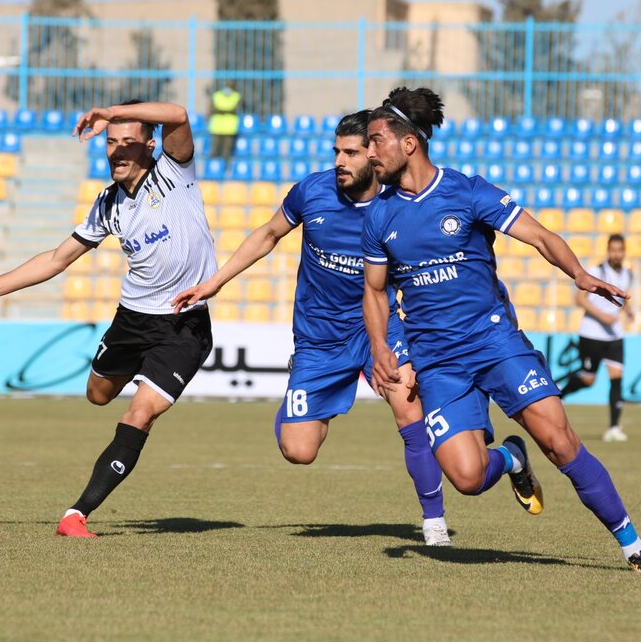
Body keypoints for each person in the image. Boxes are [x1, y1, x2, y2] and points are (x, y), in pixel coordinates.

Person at [360, 86, 641, 573]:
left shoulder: (467, 191)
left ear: (408, 143)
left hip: (494, 341)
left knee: (561, 442)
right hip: (437, 361)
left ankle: (633, 546)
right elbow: (375, 292)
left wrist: (581, 275)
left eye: (376, 141)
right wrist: (381, 347)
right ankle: (510, 458)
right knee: (466, 476)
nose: (368, 152)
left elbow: (540, 236)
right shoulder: (378, 215)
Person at [172, 111, 451, 546]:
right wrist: (214, 283)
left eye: (351, 153)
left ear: (375, 153)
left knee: (408, 408)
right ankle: (300, 392)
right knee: (299, 451)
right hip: (319, 338)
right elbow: (267, 234)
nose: (340, 161)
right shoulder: (313, 191)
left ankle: (434, 522)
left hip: (378, 329)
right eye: (336, 151)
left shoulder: (399, 204)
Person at [0, 99, 217, 538]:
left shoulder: (175, 172)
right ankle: (135, 376)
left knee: (140, 414)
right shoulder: (108, 204)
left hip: (183, 326)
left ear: (151, 146)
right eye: (111, 142)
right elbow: (58, 258)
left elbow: (179, 114)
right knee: (97, 394)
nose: (116, 150)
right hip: (132, 320)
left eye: (128, 142)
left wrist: (108, 112)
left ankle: (76, 514)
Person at [559, 234, 636, 441]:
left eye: (620, 250)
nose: (616, 254)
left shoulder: (628, 273)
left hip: (615, 335)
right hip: (592, 334)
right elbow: (579, 298)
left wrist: (628, 311)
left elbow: (622, 295)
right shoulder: (596, 271)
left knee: (617, 379)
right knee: (588, 379)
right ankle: (560, 393)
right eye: (613, 250)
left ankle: (614, 428)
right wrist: (602, 316)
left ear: (624, 251)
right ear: (608, 250)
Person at [208, 82, 241, 162]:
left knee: (226, 152)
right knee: (214, 151)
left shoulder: (236, 96)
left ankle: (225, 169)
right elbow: (211, 109)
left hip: (229, 128)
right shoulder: (217, 96)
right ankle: (214, 168)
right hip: (217, 127)